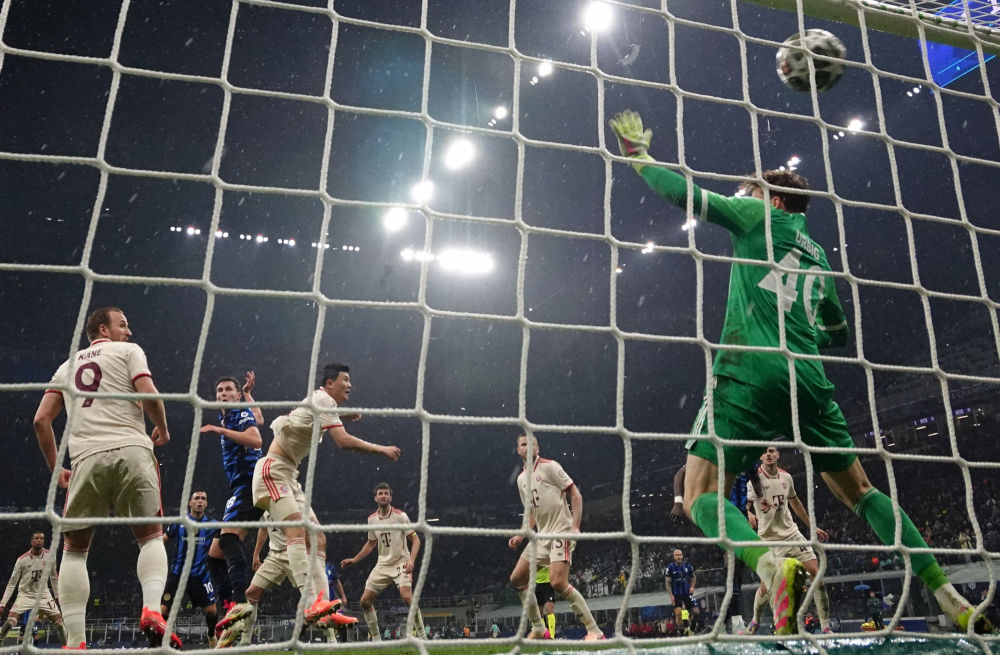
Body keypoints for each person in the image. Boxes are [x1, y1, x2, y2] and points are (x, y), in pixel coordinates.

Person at [609, 110, 994, 635]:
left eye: (748, 191)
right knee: (862, 492)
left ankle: (771, 568)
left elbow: (687, 196)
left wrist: (639, 156)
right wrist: (797, 326)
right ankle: (950, 597)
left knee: (700, 493)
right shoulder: (819, 257)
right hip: (809, 381)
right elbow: (837, 331)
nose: (742, 196)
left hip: (750, 371)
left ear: (771, 199)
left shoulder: (756, 216)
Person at [32, 307, 181, 648]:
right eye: (122, 324)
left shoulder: (66, 367)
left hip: (86, 458)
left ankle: (75, 642)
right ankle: (151, 609)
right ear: (103, 328)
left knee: (74, 552)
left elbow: (41, 420)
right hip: (132, 449)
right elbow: (148, 392)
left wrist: (57, 468)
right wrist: (162, 426)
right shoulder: (129, 351)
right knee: (151, 537)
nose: (128, 331)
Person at [228, 362, 399, 641]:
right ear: (330, 383)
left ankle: (323, 605)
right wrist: (382, 449)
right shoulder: (323, 398)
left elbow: (310, 415)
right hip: (273, 470)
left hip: (289, 475)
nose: (350, 385)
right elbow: (343, 441)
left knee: (318, 539)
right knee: (297, 531)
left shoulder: (321, 402)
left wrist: (343, 413)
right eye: (345, 379)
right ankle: (310, 604)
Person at [507, 434, 604, 641]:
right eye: (524, 444)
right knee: (517, 579)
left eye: (532, 444)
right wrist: (521, 536)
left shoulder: (550, 467)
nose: (528, 447)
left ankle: (594, 630)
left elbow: (576, 495)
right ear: (518, 450)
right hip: (541, 537)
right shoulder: (521, 480)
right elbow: (531, 514)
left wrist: (575, 527)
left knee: (558, 581)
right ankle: (538, 628)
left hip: (561, 531)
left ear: (538, 448)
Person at [226, 511, 357, 648]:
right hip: (274, 557)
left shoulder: (291, 503)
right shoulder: (264, 505)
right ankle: (245, 641)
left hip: (295, 554)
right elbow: (263, 529)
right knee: (251, 594)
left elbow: (309, 529)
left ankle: (332, 640)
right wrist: (256, 554)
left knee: (313, 601)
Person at [745, 447, 832, 634]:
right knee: (766, 587)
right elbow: (746, 504)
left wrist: (812, 527)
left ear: (777, 455)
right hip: (769, 540)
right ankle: (755, 620)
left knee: (816, 575)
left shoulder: (786, 477)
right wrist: (749, 513)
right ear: (760, 456)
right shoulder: (754, 479)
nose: (768, 454)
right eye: (765, 452)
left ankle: (826, 627)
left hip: (792, 535)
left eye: (772, 451)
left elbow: (795, 503)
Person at [201, 374, 263, 627]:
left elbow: (256, 439)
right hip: (240, 487)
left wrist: (221, 430)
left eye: (228, 389)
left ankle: (240, 602)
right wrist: (248, 394)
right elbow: (259, 418)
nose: (222, 394)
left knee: (228, 539)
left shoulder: (237, 414)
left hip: (250, 484)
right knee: (214, 556)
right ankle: (229, 608)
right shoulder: (233, 414)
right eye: (219, 390)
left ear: (235, 396)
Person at [671, 464, 756, 633]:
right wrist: (678, 502)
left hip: (740, 519)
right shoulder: (713, 455)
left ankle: (723, 621)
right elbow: (680, 474)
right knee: (732, 568)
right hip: (720, 519)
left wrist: (751, 510)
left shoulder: (744, 460)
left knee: (737, 571)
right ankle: (736, 620)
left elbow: (755, 482)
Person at [340, 483, 424, 641]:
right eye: (380, 493)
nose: (383, 496)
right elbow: (371, 543)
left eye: (386, 493)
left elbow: (416, 540)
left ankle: (423, 636)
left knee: (407, 597)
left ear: (391, 497)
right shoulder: (371, 520)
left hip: (401, 562)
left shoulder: (401, 516)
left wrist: (411, 561)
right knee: (365, 602)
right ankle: (376, 639)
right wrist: (355, 559)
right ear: (375, 498)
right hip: (383, 565)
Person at [160, 491, 220, 647]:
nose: (199, 501)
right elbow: (163, 540)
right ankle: (163, 641)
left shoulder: (212, 525)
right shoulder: (179, 522)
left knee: (212, 611)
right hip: (177, 573)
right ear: (190, 503)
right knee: (163, 610)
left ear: (206, 504)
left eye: (203, 499)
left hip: (199, 574)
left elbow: (225, 539)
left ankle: (211, 634)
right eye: (196, 498)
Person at [0, 532, 65, 645]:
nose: (39, 540)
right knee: (10, 621)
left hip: (43, 595)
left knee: (59, 623)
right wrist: (2, 604)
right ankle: (1, 639)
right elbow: (12, 583)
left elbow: (54, 577)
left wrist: (57, 596)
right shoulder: (22, 560)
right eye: (36, 538)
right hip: (25, 594)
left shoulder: (50, 556)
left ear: (44, 541)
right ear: (31, 541)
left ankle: (67, 647)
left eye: (41, 538)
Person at [665, 549, 698, 635]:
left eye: (680, 555)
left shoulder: (688, 566)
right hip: (676, 595)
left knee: (696, 612)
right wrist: (671, 595)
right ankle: (682, 633)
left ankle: (692, 627)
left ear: (682, 556)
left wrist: (692, 586)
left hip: (687, 593)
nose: (679, 556)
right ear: (674, 557)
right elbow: (667, 582)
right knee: (678, 613)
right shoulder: (670, 567)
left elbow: (693, 576)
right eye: (676, 555)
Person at [535, 565, 556, 638]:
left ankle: (552, 636)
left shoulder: (547, 558)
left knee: (549, 608)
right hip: (537, 585)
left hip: (548, 584)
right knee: (539, 612)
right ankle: (544, 635)